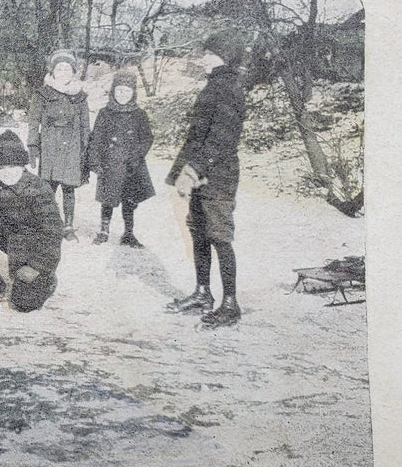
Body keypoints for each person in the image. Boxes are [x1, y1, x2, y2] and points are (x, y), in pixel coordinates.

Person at [164, 31, 248, 328]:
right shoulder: (215, 86)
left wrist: (193, 170)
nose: (204, 59)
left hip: (219, 176)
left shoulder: (229, 89)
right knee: (198, 232)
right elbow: (195, 137)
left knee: (219, 236)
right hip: (202, 174)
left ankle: (230, 303)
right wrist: (181, 172)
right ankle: (203, 293)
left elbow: (220, 139)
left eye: (210, 54)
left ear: (224, 57)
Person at [0, 129, 65, 312]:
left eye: (11, 166)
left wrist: (36, 267)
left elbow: (53, 233)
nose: (6, 172)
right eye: (0, 168)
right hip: (14, 243)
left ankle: (48, 280)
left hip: (36, 252)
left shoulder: (39, 189)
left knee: (22, 304)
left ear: (22, 165)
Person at [86, 70, 156, 247]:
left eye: (126, 91)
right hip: (110, 164)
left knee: (130, 200)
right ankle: (104, 230)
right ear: (113, 92)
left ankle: (129, 233)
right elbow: (96, 139)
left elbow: (147, 138)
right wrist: (94, 161)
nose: (122, 94)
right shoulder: (105, 113)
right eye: (119, 91)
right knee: (108, 199)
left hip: (132, 165)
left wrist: (137, 155)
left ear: (133, 92)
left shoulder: (139, 114)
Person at [27, 50, 92, 241]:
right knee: (48, 187)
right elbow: (33, 122)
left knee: (69, 188)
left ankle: (68, 226)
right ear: (53, 71)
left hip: (72, 147)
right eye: (59, 68)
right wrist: (32, 145)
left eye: (67, 69)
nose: (63, 72)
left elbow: (85, 126)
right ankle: (47, 222)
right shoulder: (42, 94)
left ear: (73, 72)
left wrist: (86, 151)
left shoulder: (80, 97)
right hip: (50, 146)